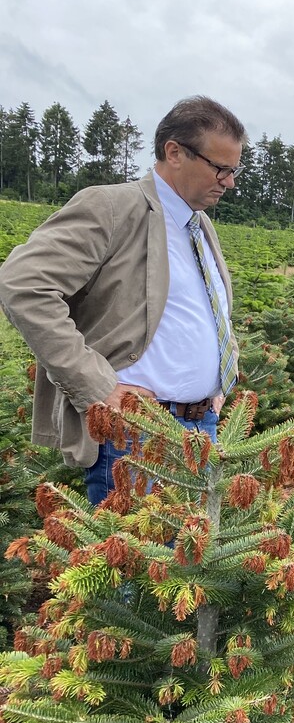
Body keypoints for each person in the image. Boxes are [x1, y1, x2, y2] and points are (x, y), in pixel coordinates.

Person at [0, 95, 245, 505]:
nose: (230, 182)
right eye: (220, 168)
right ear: (174, 152)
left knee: (189, 568)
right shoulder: (114, 207)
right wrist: (97, 386)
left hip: (201, 427)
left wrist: (220, 379)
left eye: (234, 170)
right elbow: (24, 284)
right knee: (135, 566)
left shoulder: (199, 226)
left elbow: (211, 314)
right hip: (136, 433)